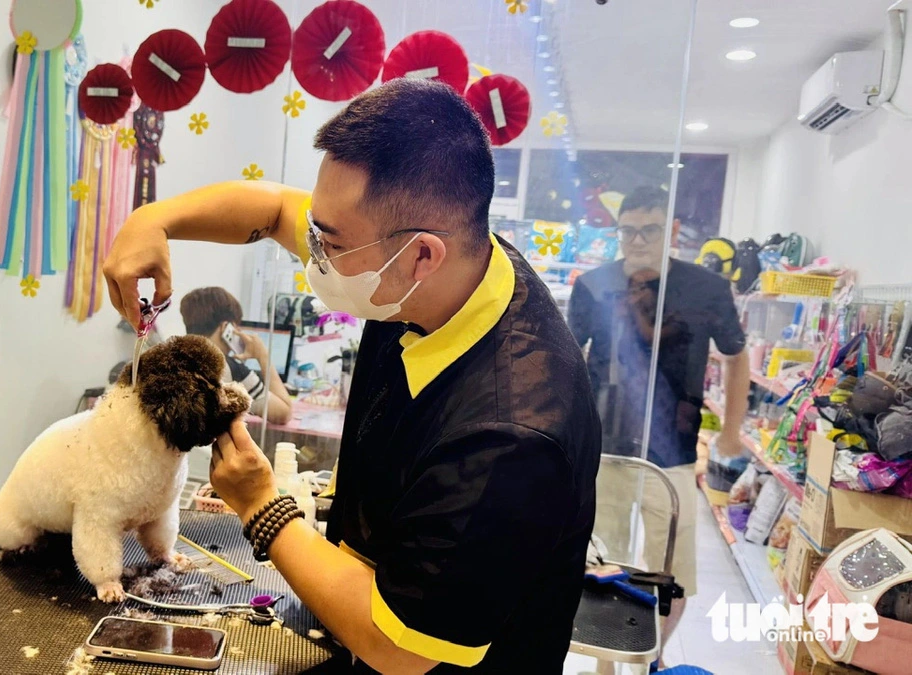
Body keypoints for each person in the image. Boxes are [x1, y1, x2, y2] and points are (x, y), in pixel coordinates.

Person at [104, 79, 600, 674]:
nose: (311, 251)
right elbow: (270, 209)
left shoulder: (511, 433)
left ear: (421, 255)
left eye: (329, 242)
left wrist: (261, 506)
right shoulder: (453, 269)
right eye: (316, 230)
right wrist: (152, 220)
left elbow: (398, 646)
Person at [567, 186, 750, 667]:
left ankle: (653, 657)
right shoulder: (593, 285)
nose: (637, 241)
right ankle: (606, 661)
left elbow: (736, 356)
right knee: (600, 563)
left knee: (674, 569)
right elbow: (567, 361)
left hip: (673, 453)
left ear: (671, 231)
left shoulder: (706, 288)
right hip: (605, 448)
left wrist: (731, 430)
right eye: (628, 231)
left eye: (649, 230)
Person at [179, 286, 294, 425]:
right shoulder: (231, 369)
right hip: (210, 446)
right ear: (225, 327)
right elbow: (283, 413)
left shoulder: (171, 356)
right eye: (236, 326)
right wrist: (263, 356)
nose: (238, 331)